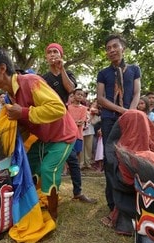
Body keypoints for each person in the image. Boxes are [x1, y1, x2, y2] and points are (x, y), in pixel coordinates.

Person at [0, 45, 79, 220]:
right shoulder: (8, 97)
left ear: (2, 68)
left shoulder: (30, 81)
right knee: (24, 167)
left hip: (63, 136)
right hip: (44, 138)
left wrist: (23, 112)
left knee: (47, 169)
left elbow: (58, 108)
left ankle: (52, 215)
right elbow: (21, 128)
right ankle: (32, 204)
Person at [42, 43, 97, 204]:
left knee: (72, 158)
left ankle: (78, 192)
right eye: (50, 52)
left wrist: (62, 69)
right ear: (46, 57)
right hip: (48, 122)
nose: (52, 54)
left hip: (63, 123)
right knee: (47, 159)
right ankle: (47, 194)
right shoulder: (43, 78)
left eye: (55, 52)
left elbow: (70, 88)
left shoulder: (68, 73)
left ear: (61, 55)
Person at [96, 33, 141, 228]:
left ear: (123, 48)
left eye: (115, 46)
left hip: (129, 120)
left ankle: (131, 202)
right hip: (109, 120)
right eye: (108, 48)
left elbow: (137, 92)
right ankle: (113, 203)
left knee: (130, 159)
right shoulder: (103, 73)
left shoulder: (134, 69)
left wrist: (130, 113)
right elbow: (100, 98)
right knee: (110, 159)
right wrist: (122, 111)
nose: (112, 50)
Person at [68, 88, 88, 160]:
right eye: (78, 94)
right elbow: (68, 121)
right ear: (73, 95)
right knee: (68, 152)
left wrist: (73, 122)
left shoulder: (84, 108)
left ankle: (77, 169)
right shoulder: (68, 108)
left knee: (78, 152)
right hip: (69, 135)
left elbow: (82, 121)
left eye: (82, 95)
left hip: (79, 134)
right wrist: (75, 122)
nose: (80, 96)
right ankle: (66, 169)